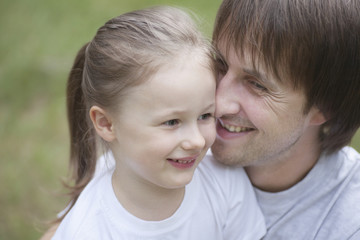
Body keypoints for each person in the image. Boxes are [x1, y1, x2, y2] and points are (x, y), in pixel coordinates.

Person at [51, 6, 265, 239]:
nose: (197, 140)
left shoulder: (224, 184)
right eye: (172, 122)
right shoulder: (87, 230)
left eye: (205, 116)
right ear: (106, 124)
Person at [211, 0, 360, 239]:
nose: (218, 103)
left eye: (257, 85)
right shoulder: (167, 155)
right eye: (220, 64)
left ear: (325, 107)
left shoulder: (349, 224)